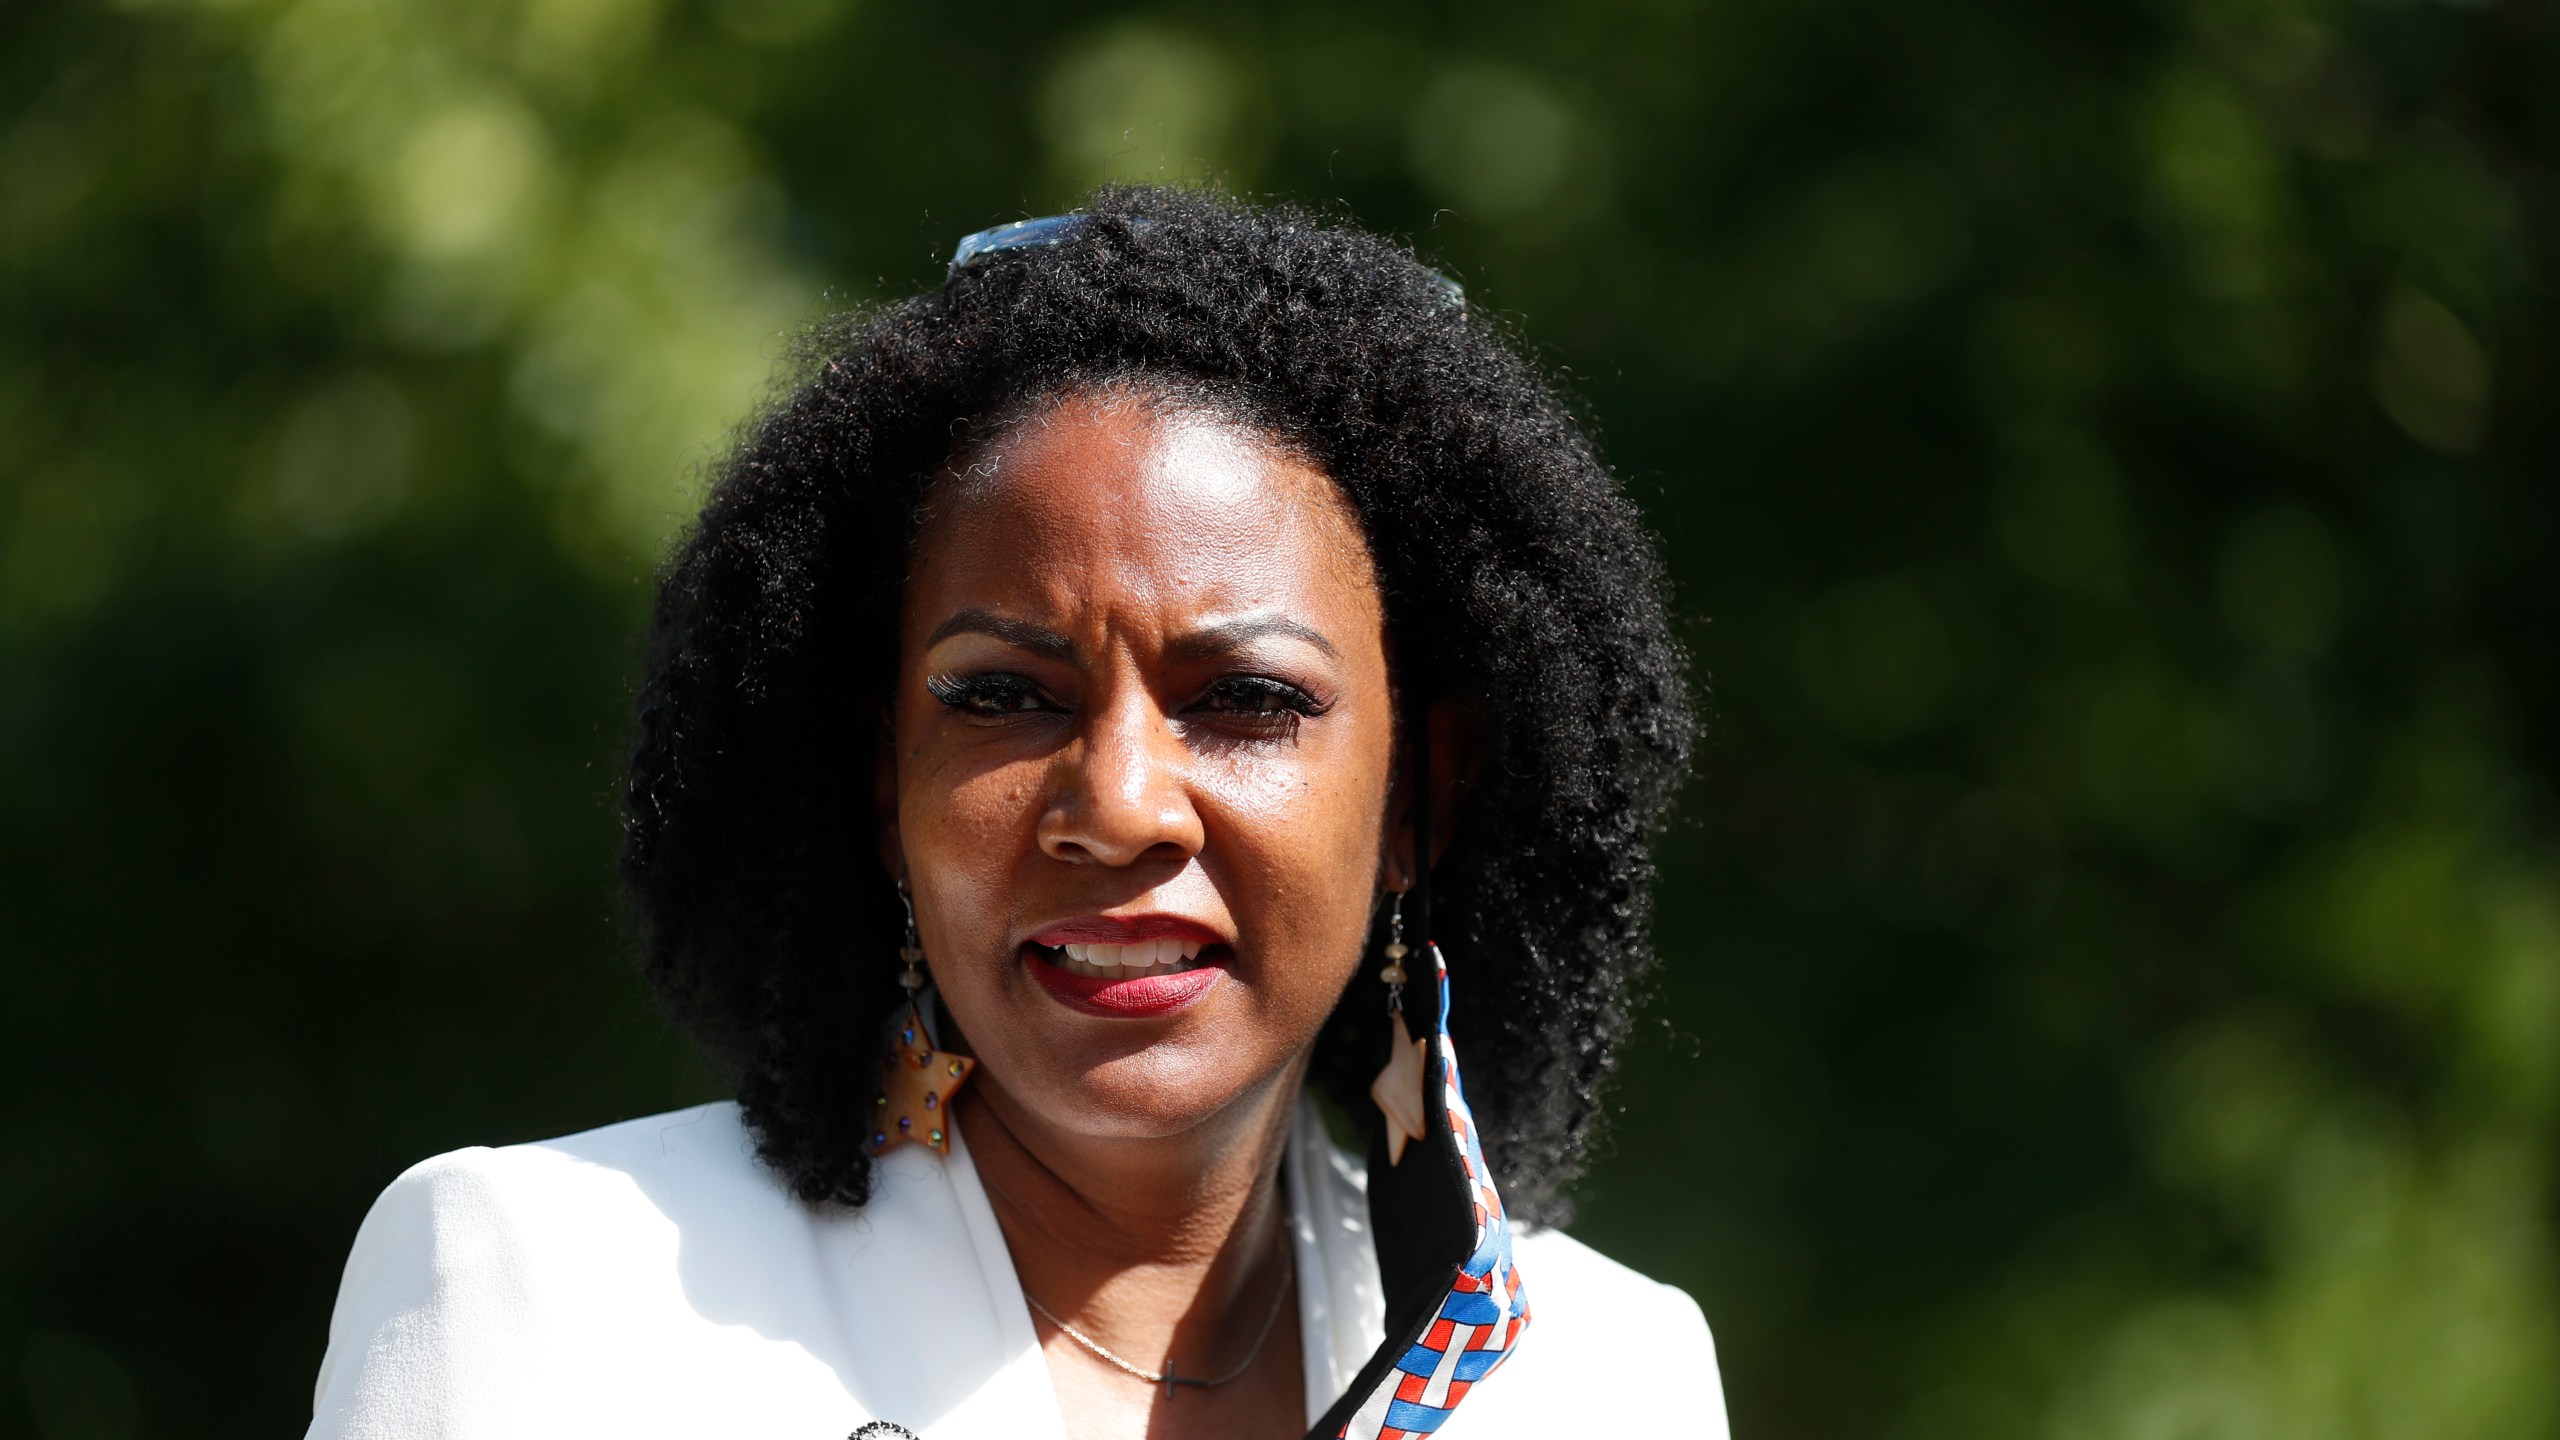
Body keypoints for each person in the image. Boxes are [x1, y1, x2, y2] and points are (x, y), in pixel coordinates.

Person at [305, 185, 1728, 1439]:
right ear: (882, 788)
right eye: (1001, 698)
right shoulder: (550, 1291)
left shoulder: (1608, 1379)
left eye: (1243, 698)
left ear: (1421, 796)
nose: (1115, 807)